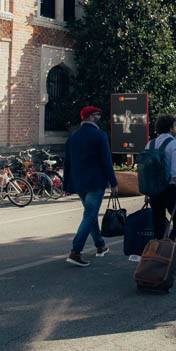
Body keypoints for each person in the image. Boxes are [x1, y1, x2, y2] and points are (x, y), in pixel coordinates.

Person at [63, 106, 118, 267]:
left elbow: (67, 163)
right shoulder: (99, 136)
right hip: (96, 182)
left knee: (90, 214)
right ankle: (75, 251)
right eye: (98, 115)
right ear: (91, 117)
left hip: (79, 182)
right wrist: (113, 182)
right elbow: (106, 161)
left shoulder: (72, 137)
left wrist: (66, 185)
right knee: (89, 215)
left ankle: (100, 246)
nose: (100, 117)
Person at [148, 115, 176, 240]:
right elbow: (175, 171)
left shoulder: (150, 143)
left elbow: (148, 169)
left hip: (154, 189)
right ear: (170, 128)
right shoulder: (174, 144)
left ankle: (157, 253)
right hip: (170, 188)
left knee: (158, 225)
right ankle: (169, 249)